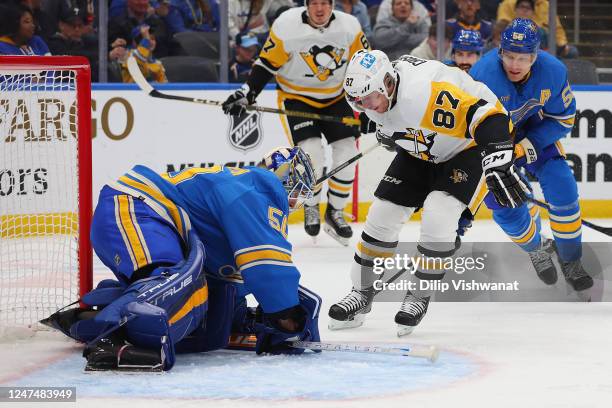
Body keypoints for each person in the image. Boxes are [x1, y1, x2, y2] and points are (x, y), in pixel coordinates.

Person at [42, 147, 321, 371]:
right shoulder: (255, 192)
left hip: (150, 222)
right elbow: (267, 268)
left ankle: (91, 316)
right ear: (289, 183)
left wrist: (235, 317)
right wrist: (286, 314)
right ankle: (114, 337)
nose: (295, 203)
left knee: (210, 332)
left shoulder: (243, 191)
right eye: (298, 194)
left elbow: (225, 278)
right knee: (177, 283)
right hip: (134, 207)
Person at [328, 49, 529, 336]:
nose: (363, 107)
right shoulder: (377, 92)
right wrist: (376, 119)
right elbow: (382, 115)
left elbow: (488, 114)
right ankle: (361, 291)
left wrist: (497, 155)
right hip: (422, 147)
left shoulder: (425, 94)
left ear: (387, 83)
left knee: (439, 213)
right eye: (357, 102)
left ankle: (419, 294)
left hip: (465, 149)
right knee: (382, 214)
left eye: (367, 99)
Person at [222, 0, 371, 246]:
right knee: (312, 153)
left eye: (325, 3)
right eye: (315, 3)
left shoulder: (350, 26)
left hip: (336, 96)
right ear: (306, 5)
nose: (320, 9)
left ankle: (335, 211)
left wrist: (368, 107)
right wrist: (247, 93)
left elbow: (365, 66)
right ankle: (311, 205)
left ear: (332, 5)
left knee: (347, 152)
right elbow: (266, 65)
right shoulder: (286, 25)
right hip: (296, 97)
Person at [470, 18, 593, 293]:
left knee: (562, 185)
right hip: (490, 141)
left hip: (533, 131)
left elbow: (562, 120)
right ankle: (536, 248)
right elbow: (468, 131)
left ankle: (571, 260)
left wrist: (525, 146)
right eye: (509, 56)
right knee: (503, 204)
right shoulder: (481, 75)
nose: (515, 65)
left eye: (523, 58)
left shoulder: (553, 71)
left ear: (535, 56)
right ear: (500, 51)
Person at [496, 0, 577, 58]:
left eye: (528, 8)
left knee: (572, 52)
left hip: (544, 43)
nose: (524, 10)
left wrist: (562, 45)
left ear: (532, 10)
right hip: (514, 41)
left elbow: (557, 29)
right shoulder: (508, 3)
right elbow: (501, 27)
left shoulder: (546, 5)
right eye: (521, 7)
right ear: (515, 9)